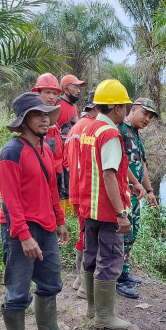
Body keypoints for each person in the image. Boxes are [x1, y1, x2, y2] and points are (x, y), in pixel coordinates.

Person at [0, 92, 76, 330]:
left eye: (47, 114)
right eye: (37, 115)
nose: (45, 119)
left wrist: (60, 221)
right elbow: (11, 200)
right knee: (18, 290)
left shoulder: (44, 148)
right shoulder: (11, 152)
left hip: (46, 227)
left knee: (52, 282)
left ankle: (48, 329)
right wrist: (24, 235)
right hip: (22, 231)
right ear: (23, 121)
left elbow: (52, 188)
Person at [77, 79, 133, 330]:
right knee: (110, 259)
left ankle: (92, 309)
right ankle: (104, 316)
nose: (126, 111)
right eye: (125, 106)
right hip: (108, 211)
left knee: (91, 256)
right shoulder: (110, 134)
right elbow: (109, 175)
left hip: (89, 207)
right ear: (117, 108)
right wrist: (121, 213)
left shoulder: (88, 129)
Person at [116, 98, 159, 299]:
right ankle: (115, 278)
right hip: (122, 194)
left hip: (136, 195)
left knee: (132, 233)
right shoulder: (120, 131)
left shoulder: (136, 135)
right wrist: (135, 184)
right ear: (133, 110)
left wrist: (149, 191)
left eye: (150, 116)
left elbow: (142, 165)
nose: (147, 118)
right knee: (121, 235)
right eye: (145, 113)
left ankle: (124, 273)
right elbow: (119, 163)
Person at [66, 90, 98, 299]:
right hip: (88, 192)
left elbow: (67, 162)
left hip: (76, 190)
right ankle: (86, 285)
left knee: (83, 232)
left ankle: (80, 279)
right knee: (90, 236)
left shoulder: (75, 128)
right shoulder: (92, 129)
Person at [56, 75, 87, 206]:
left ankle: (68, 214)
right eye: (75, 87)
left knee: (70, 184)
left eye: (79, 87)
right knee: (60, 185)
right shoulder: (57, 105)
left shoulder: (75, 108)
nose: (79, 90)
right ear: (66, 89)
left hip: (71, 154)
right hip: (57, 155)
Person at [31, 73, 65, 189]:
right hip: (42, 173)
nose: (52, 97)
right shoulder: (33, 121)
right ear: (38, 94)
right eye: (47, 92)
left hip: (56, 173)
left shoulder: (54, 120)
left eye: (55, 93)